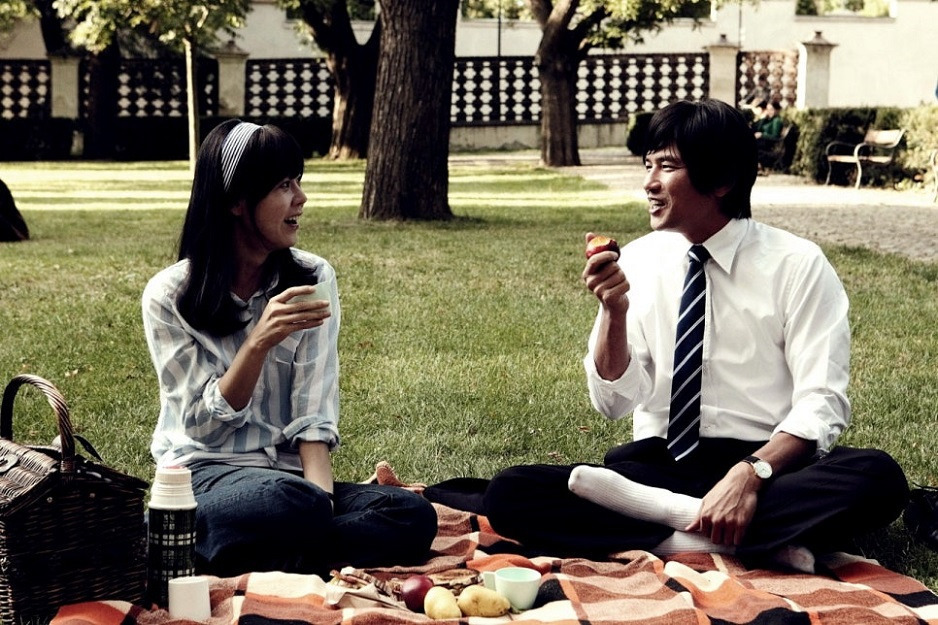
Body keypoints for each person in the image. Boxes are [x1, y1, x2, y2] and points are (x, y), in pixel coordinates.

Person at [482, 99, 908, 572]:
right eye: (648, 165)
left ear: (721, 180)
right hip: (659, 464)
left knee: (878, 477)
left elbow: (821, 402)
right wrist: (613, 313)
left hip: (767, 464)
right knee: (511, 491)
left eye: (667, 167)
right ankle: (724, 535)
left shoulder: (798, 265)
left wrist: (750, 474)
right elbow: (614, 403)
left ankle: (672, 529)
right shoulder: (639, 260)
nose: (649, 182)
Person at [142, 119, 437, 577]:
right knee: (290, 503)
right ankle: (216, 535)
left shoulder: (312, 278)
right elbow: (200, 428)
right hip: (203, 477)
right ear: (236, 201)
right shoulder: (169, 296)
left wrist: (322, 503)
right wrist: (258, 342)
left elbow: (313, 413)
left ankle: (245, 555)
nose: (301, 198)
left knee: (412, 515)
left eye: (298, 181)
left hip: (291, 483)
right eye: (284, 185)